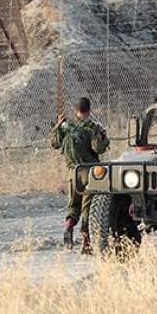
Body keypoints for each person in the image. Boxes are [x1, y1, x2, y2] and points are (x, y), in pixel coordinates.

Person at [50, 97, 110, 253]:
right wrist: (101, 135)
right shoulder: (92, 127)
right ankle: (86, 242)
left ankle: (68, 227)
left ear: (75, 111)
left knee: (73, 206)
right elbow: (99, 149)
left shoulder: (66, 126)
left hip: (72, 173)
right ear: (89, 110)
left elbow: (54, 143)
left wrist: (58, 125)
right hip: (89, 173)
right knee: (87, 208)